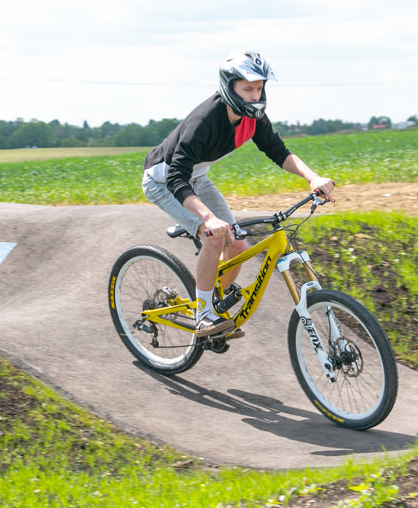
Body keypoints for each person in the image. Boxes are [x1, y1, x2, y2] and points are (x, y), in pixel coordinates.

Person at [142, 50, 335, 338]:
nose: (255, 95)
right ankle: (203, 315)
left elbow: (278, 152)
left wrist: (312, 177)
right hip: (164, 182)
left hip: (197, 177)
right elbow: (176, 178)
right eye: (247, 89)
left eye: (259, 88)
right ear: (229, 86)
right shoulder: (204, 121)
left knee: (238, 246)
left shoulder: (252, 117)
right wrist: (208, 218)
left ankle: (213, 303)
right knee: (214, 235)